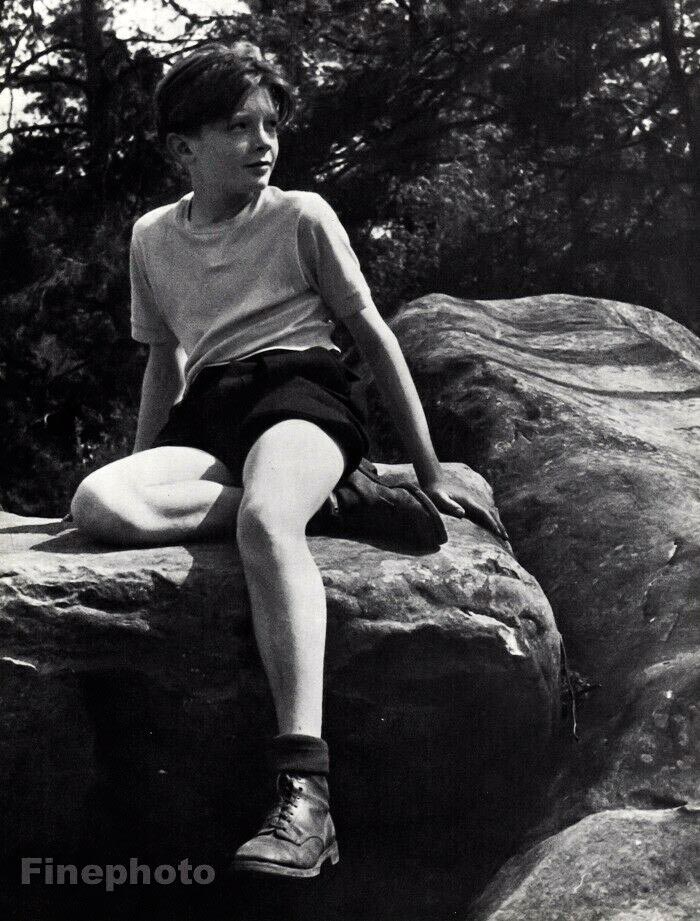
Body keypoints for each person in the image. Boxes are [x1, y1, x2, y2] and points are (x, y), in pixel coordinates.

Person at [70, 42, 507, 879]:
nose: (263, 141)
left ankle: (305, 794)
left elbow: (372, 333)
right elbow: (164, 363)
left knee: (270, 521)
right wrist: (143, 466)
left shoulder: (302, 214)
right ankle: (331, 501)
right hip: (211, 414)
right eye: (238, 126)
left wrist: (428, 467)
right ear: (182, 147)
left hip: (302, 397)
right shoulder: (152, 238)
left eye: (271, 124)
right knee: (98, 504)